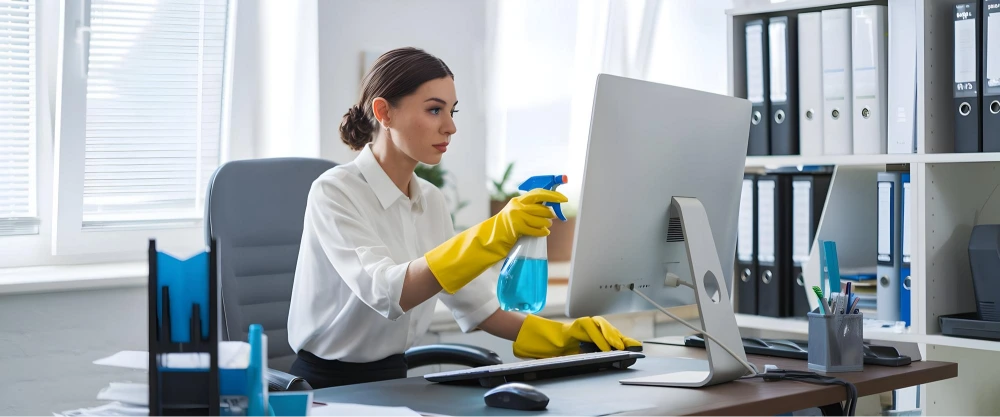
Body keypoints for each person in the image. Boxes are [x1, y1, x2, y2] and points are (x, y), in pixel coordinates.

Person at [287, 47, 641, 389]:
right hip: (325, 390)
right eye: (434, 110)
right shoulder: (334, 192)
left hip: (394, 382)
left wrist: (565, 335)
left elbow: (478, 305)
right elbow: (387, 292)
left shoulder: (431, 200)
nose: (450, 127)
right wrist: (494, 232)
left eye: (452, 112)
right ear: (384, 112)